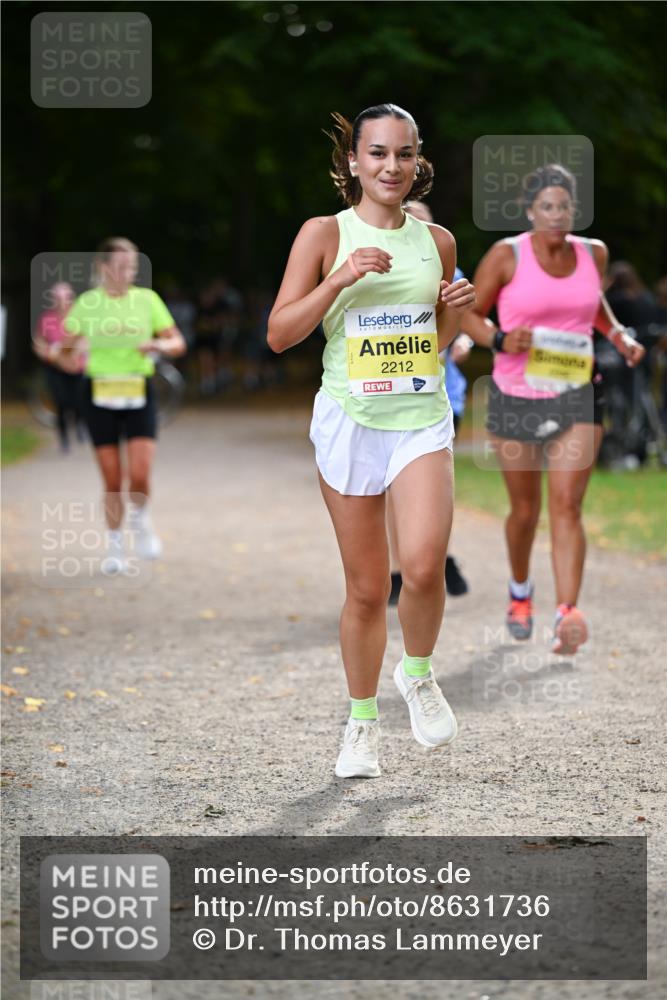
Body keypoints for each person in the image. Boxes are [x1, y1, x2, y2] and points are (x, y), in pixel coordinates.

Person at [267, 104, 475, 778]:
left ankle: (415, 673)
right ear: (352, 161)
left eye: (404, 154)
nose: (392, 167)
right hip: (350, 421)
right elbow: (279, 333)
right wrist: (340, 277)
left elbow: (431, 347)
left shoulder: (437, 241)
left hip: (418, 417)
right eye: (378, 153)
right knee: (363, 590)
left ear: (418, 162)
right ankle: (359, 724)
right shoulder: (324, 233)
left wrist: (454, 313)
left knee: (421, 565)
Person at [460, 164, 644, 655]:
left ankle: (568, 612)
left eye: (565, 207)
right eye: (547, 207)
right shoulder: (506, 256)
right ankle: (520, 590)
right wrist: (499, 338)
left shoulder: (594, 253)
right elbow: (469, 314)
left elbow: (592, 303)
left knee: (567, 504)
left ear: (574, 211)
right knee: (525, 510)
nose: (557, 215)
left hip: (578, 391)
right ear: (530, 211)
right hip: (517, 394)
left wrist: (619, 334)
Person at [58, 237, 186, 574]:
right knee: (113, 478)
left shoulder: (147, 300)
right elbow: (65, 352)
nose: (127, 273)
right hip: (98, 393)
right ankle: (114, 546)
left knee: (140, 474)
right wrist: (68, 354)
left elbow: (178, 343)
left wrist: (157, 343)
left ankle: (141, 522)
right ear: (103, 268)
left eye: (132, 267)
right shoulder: (87, 304)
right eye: (120, 267)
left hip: (138, 389)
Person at [387, 200, 471, 603]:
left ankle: (434, 559)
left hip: (440, 393)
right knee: (391, 489)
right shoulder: (381, 264)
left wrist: (465, 342)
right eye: (410, 218)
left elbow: (466, 321)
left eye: (424, 220)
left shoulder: (446, 264)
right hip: (387, 392)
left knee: (431, 490)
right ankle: (398, 568)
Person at [32, 282, 86, 451]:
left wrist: (75, 357)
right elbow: (39, 343)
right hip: (55, 367)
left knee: (78, 400)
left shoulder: (79, 317)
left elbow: (86, 340)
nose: (63, 302)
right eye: (58, 298)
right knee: (61, 402)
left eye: (66, 297)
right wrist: (51, 357)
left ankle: (79, 426)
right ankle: (64, 439)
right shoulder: (47, 319)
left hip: (76, 365)